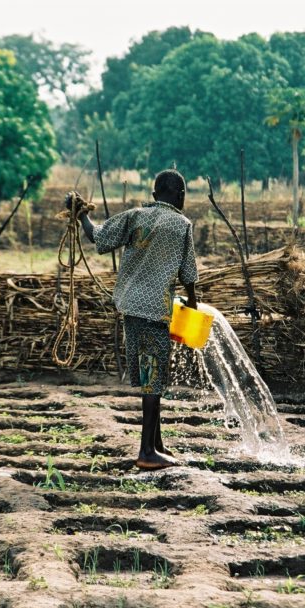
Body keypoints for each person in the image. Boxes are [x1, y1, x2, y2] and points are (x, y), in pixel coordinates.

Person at [66, 169, 198, 471]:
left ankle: (157, 444)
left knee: (150, 376)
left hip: (130, 308)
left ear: (153, 196)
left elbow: (97, 237)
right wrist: (192, 307)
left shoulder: (135, 216)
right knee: (155, 379)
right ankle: (146, 452)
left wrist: (80, 214)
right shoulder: (182, 224)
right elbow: (188, 275)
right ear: (180, 197)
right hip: (155, 311)